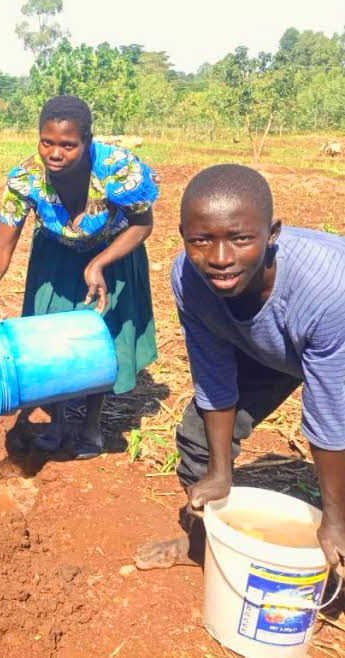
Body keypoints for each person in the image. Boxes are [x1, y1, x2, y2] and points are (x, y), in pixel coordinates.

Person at [136, 165, 345, 575]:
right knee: (199, 435)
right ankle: (203, 545)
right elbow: (212, 373)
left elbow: (329, 414)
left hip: (332, 329)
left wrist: (334, 517)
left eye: (240, 239)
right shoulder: (189, 279)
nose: (220, 259)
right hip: (275, 344)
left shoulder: (327, 287)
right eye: (201, 240)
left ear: (272, 234)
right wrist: (218, 472)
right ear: (182, 235)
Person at [0, 95, 159, 458]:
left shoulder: (119, 170)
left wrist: (100, 262)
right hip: (55, 256)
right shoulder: (25, 179)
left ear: (87, 140)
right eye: (47, 142)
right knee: (49, 335)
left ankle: (91, 423)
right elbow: (3, 243)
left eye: (68, 145)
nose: (55, 153)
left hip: (113, 253)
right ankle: (57, 420)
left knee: (102, 333)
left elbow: (142, 225)